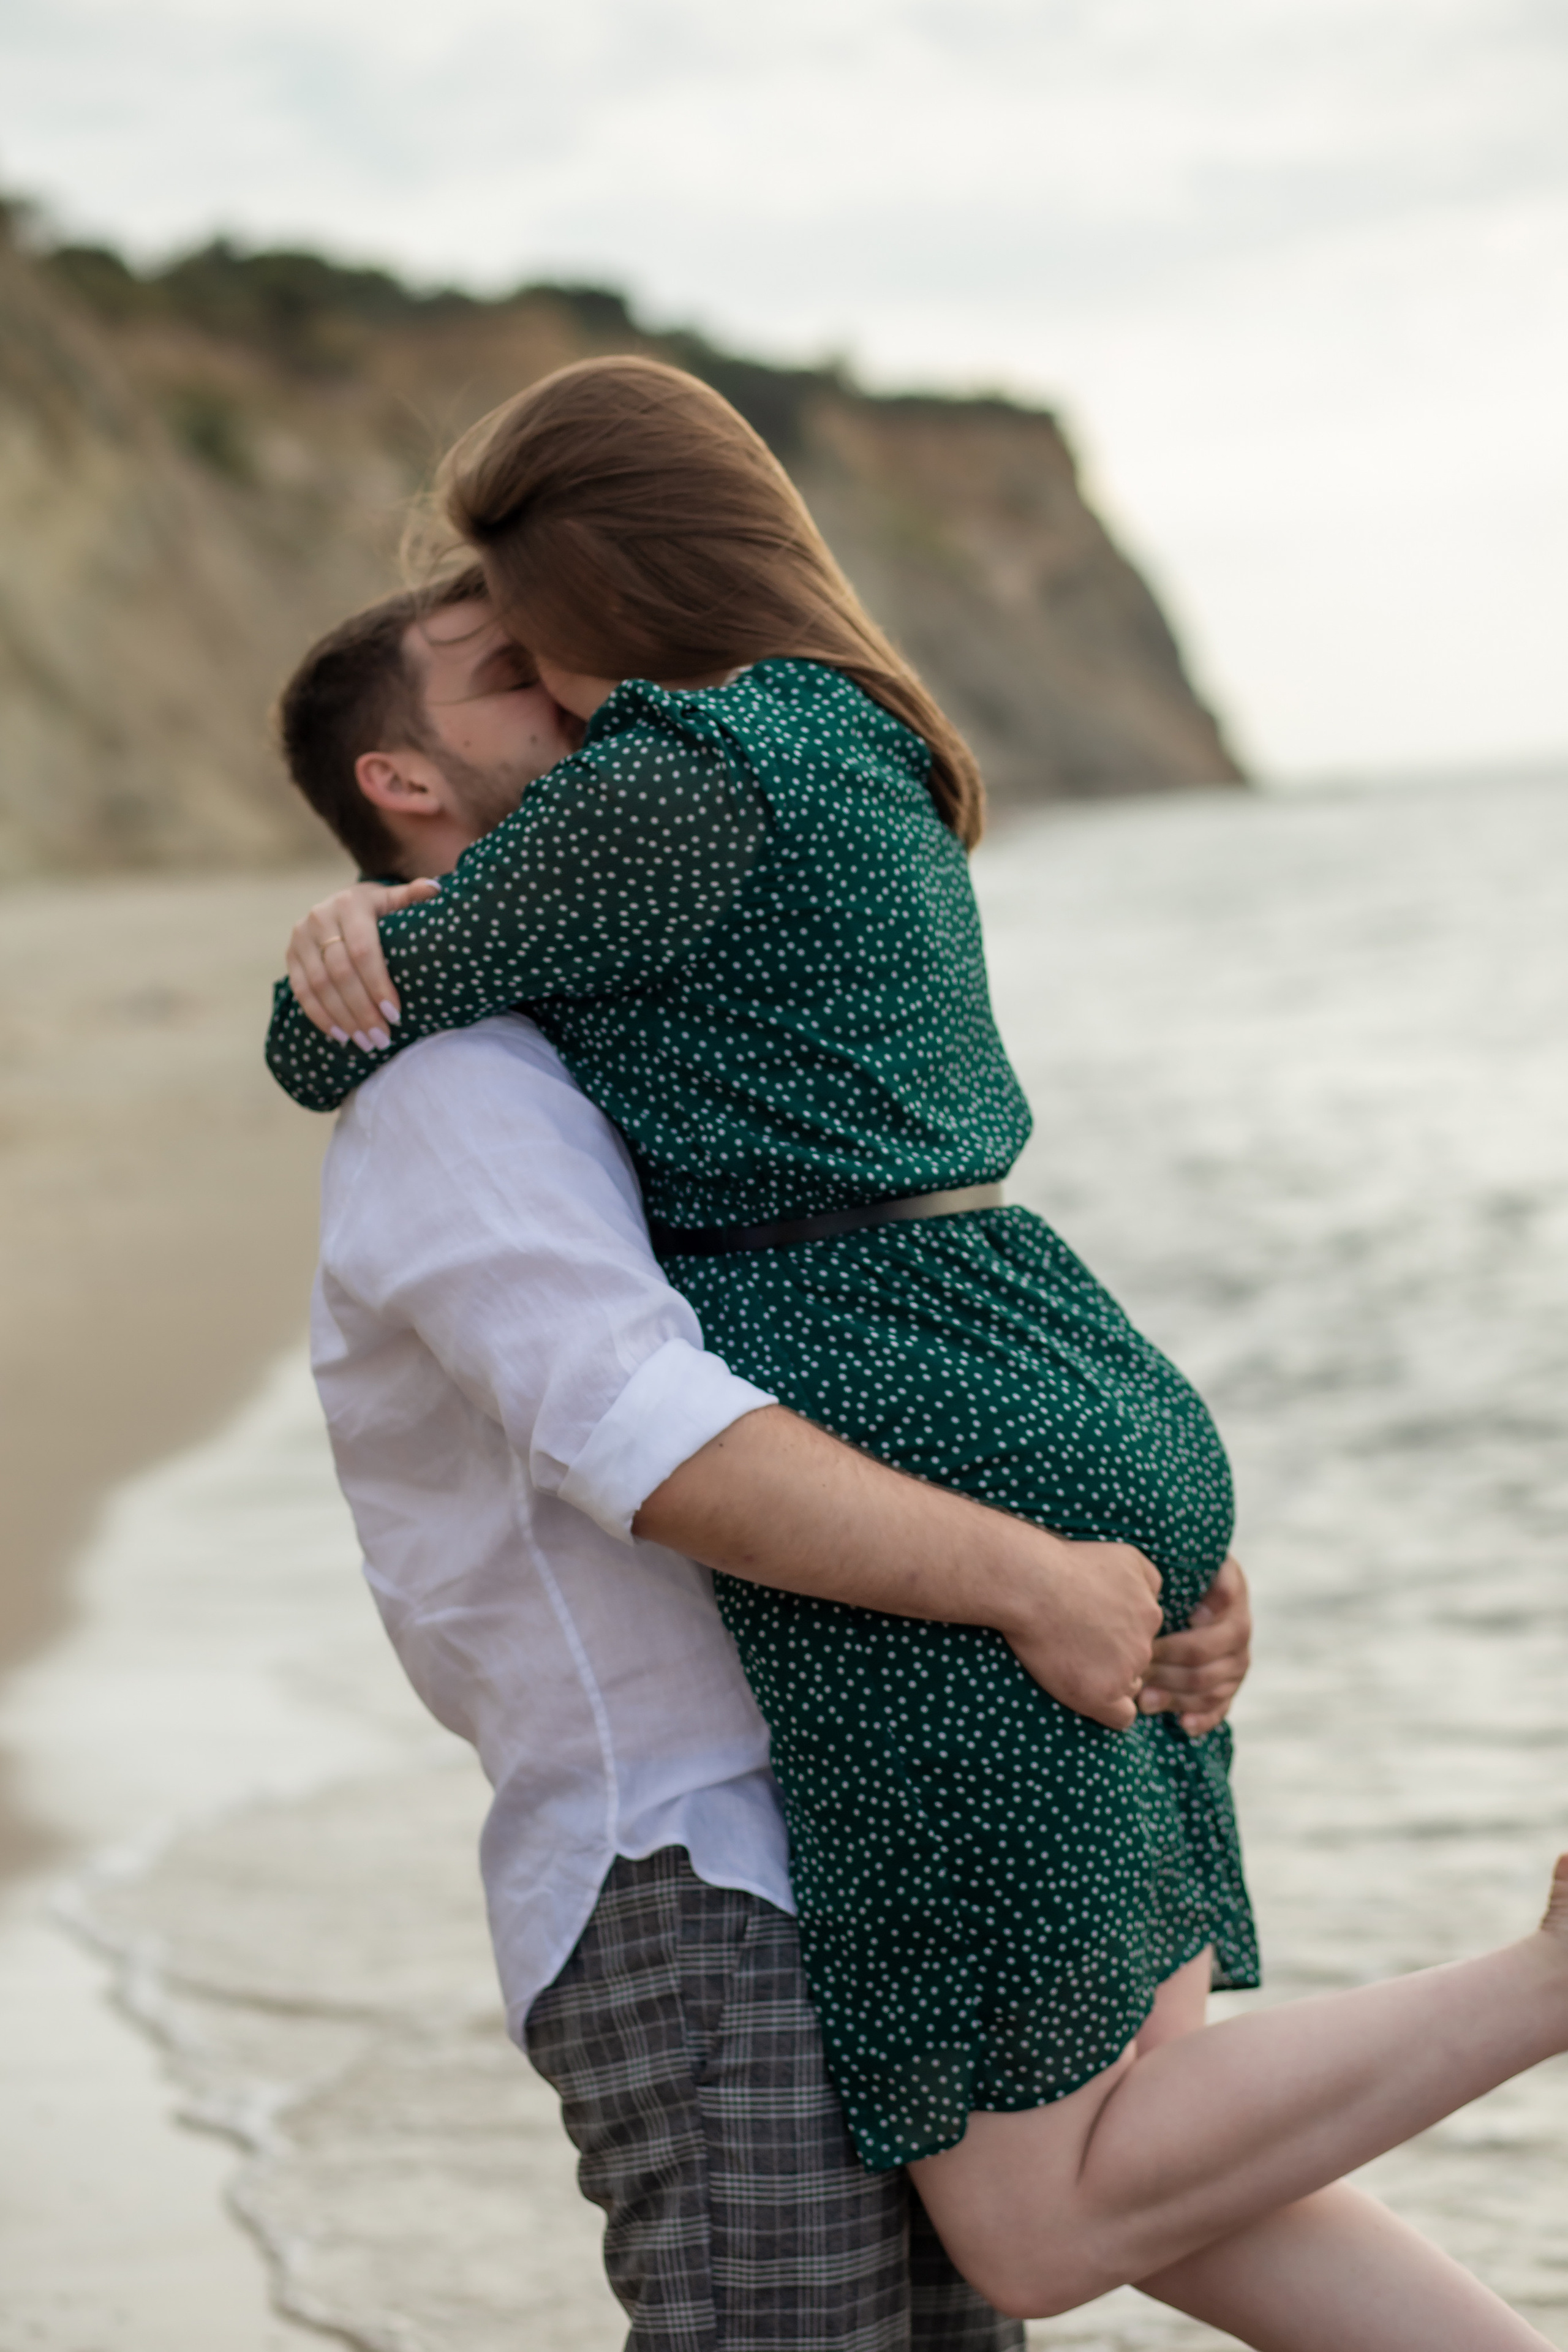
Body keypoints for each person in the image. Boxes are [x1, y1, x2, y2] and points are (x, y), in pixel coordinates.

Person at [270, 360, 1568, 2346]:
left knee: (1046, 2222)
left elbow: (636, 1395)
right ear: (404, 783)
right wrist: (1083, 1550)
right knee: (1136, 2166)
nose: (557, 685)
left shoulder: (668, 798)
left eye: (539, 637)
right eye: (502, 675)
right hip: (995, 1434)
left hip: (888, 1613)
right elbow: (654, 1403)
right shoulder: (805, 792)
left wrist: (339, 967)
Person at [281, 576, 1253, 2352]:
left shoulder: (649, 1035)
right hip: (701, 1862)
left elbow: (872, 1342)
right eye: (512, 678)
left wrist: (1146, 1564)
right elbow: (648, 1442)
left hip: (888, 1815)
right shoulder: (455, 1092)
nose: (595, 700)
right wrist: (1041, 1581)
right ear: (402, 783)